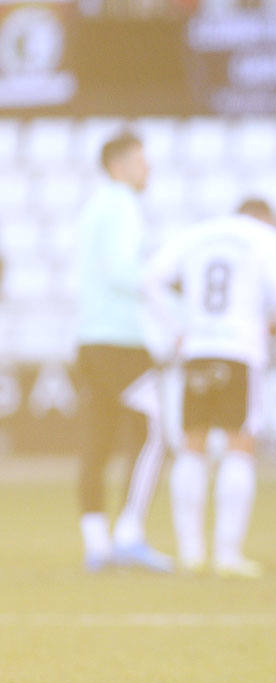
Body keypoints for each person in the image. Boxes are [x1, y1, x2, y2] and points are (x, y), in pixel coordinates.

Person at [143, 199, 276, 577]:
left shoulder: (197, 234)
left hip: (197, 348)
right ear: (266, 217)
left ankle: (191, 552)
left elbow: (148, 280)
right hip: (240, 351)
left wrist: (176, 328)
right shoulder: (268, 239)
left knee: (192, 446)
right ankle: (227, 554)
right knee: (240, 445)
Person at [74, 131, 173, 573]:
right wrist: (165, 293)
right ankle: (129, 534)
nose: (147, 168)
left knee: (99, 438)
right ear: (119, 165)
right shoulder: (122, 206)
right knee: (156, 428)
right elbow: (122, 270)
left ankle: (97, 543)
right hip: (120, 340)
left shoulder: (94, 207)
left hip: (89, 339)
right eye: (140, 160)